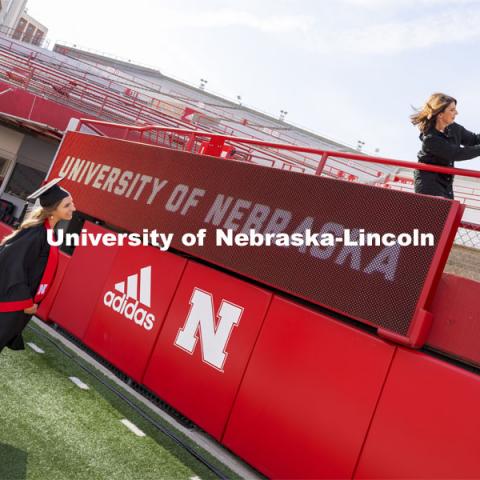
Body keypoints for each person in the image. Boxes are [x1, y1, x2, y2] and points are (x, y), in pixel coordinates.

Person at [0, 178, 75, 353]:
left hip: (19, 309)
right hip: (12, 304)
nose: (73, 208)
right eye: (67, 205)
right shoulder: (36, 234)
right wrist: (26, 301)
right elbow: (11, 264)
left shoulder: (47, 233)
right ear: (53, 210)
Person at [410, 93, 480, 199]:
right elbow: (457, 153)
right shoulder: (430, 138)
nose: (456, 113)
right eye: (452, 110)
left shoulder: (455, 128)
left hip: (446, 182)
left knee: (447, 214)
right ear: (440, 114)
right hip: (429, 182)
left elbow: (474, 139)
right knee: (438, 214)